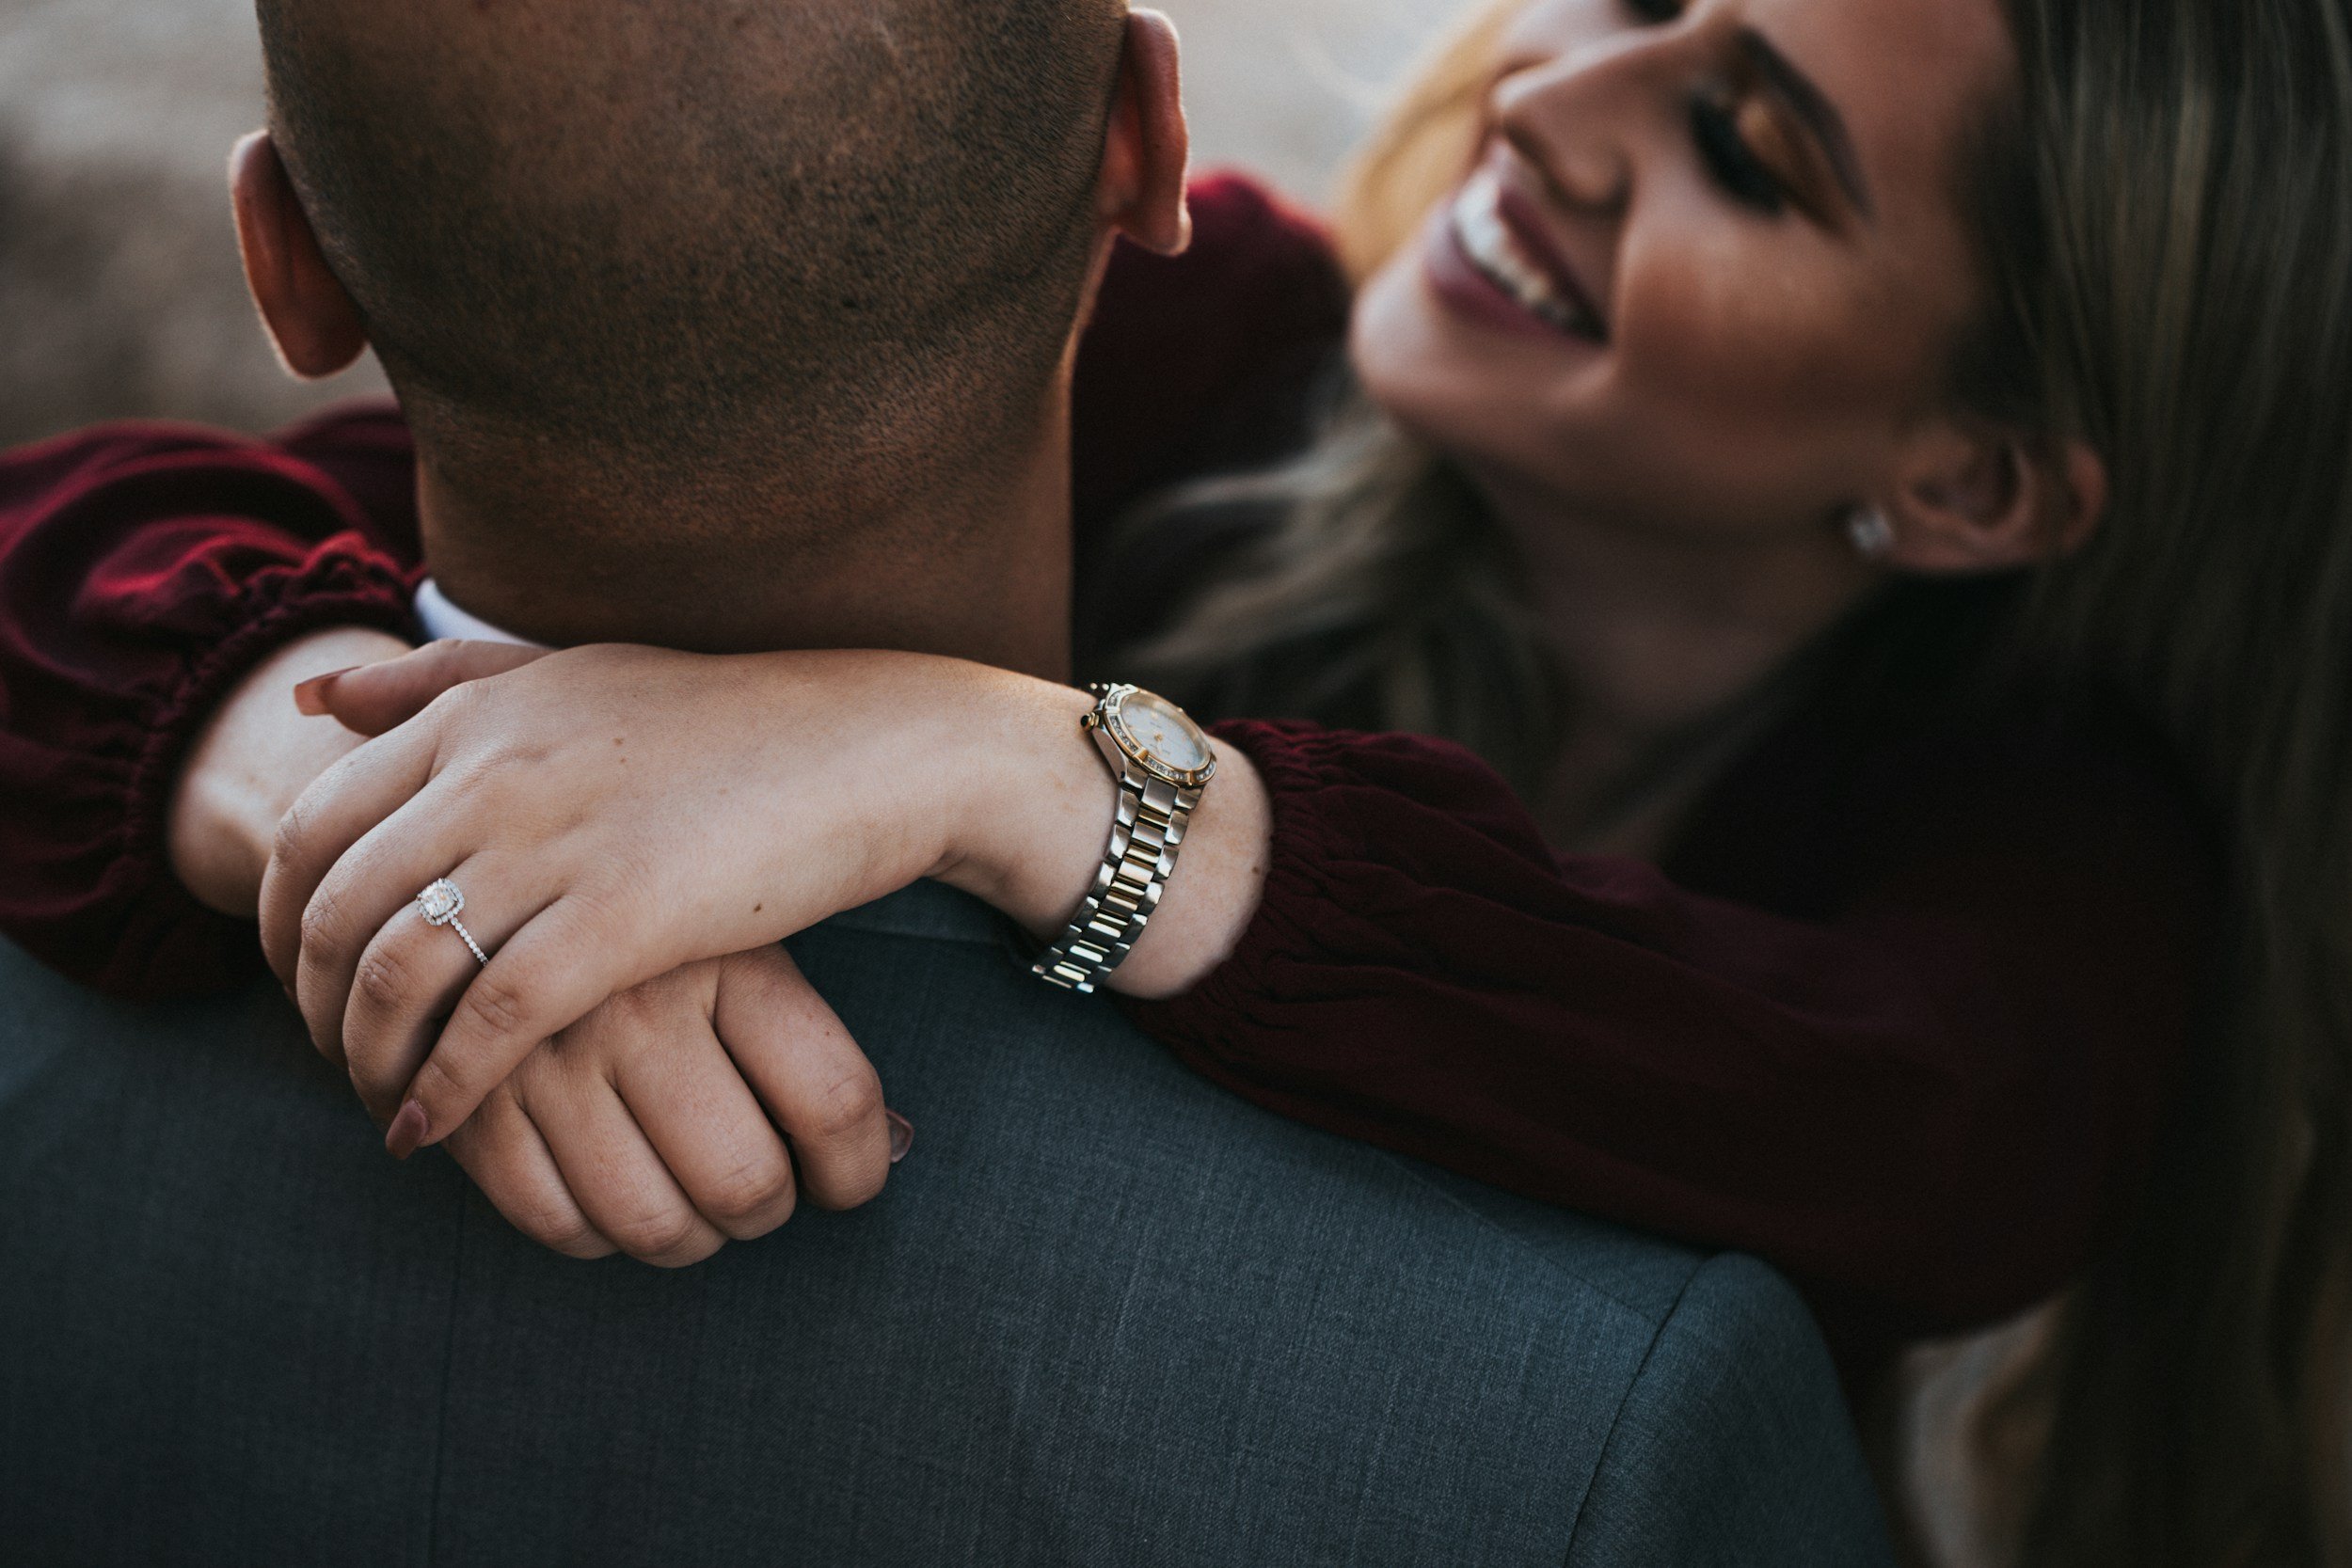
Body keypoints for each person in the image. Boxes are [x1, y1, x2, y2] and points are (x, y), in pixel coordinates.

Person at [1, 1, 2345, 1562]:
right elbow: (389, 460)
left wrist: (1022, 772)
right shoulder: (1213, 347)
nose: (1551, 103)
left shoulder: (2055, 847)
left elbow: (1922, 1128)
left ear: (1968, 479)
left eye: (1742, 148)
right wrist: (308, 781)